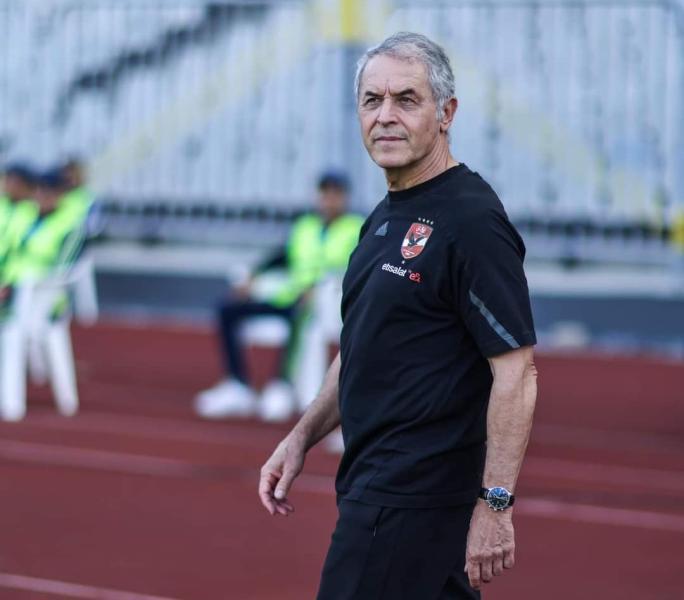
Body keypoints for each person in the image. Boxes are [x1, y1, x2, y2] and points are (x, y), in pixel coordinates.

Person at [259, 32, 538, 599]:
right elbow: (361, 348)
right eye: (372, 100)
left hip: (408, 500)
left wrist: (496, 504)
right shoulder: (383, 217)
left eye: (406, 99)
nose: (385, 115)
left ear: (446, 113)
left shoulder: (471, 221)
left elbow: (517, 371)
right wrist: (302, 436)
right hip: (381, 491)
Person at [195, 171, 363, 422]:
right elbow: (283, 256)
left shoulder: (356, 228)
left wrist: (322, 288)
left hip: (327, 301)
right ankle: (238, 383)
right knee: (228, 308)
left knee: (300, 314)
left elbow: (360, 266)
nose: (329, 200)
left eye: (335, 194)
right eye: (325, 193)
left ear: (344, 197)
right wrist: (254, 275)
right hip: (290, 295)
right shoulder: (305, 226)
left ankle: (281, 384)